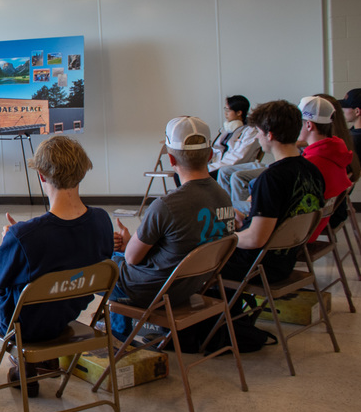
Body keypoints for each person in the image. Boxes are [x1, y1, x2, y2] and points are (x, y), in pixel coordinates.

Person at [0, 136, 113, 407]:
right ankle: (27, 367)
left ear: (41, 175)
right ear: (83, 171)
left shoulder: (27, 236)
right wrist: (20, 238)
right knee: (25, 286)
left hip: (20, 323)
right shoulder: (101, 221)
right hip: (65, 316)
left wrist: (9, 240)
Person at [110, 117, 235, 340]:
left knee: (105, 263)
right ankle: (122, 331)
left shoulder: (166, 205)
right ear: (209, 155)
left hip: (157, 290)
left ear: (170, 159)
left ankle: (120, 339)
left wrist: (129, 242)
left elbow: (131, 258)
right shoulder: (224, 196)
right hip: (192, 285)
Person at [220, 100, 325, 283]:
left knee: (196, 255)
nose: (258, 138)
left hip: (258, 266)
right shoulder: (313, 170)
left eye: (259, 133)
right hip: (286, 259)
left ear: (269, 135)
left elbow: (255, 239)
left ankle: (222, 310)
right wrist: (246, 220)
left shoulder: (271, 179)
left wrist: (223, 238)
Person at [297, 96, 352, 240]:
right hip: (313, 227)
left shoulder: (311, 163)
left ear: (309, 125)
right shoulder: (335, 150)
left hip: (297, 235)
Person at [208, 95, 261, 176]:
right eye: (225, 109)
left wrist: (209, 168)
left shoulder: (251, 132)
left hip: (230, 171)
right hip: (217, 166)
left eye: (228, 110)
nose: (225, 113)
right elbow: (216, 149)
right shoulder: (227, 129)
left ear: (239, 113)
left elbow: (238, 158)